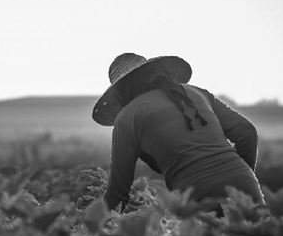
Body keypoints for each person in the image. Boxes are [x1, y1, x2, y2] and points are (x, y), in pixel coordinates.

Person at [92, 53, 264, 213]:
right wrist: (238, 179)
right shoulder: (197, 94)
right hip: (245, 183)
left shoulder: (128, 116)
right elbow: (247, 132)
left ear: (122, 91)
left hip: (196, 192)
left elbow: (118, 191)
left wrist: (92, 228)